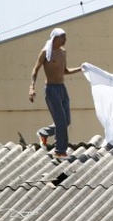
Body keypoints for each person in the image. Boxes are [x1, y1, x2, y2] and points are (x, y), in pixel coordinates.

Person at [28, 28, 83, 160]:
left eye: (65, 37)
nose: (65, 40)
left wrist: (80, 69)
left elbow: (65, 71)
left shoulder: (63, 52)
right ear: (55, 38)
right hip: (51, 90)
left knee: (66, 121)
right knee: (61, 122)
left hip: (62, 89)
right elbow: (35, 70)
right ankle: (60, 151)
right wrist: (32, 87)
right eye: (63, 37)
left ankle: (44, 133)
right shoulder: (45, 52)